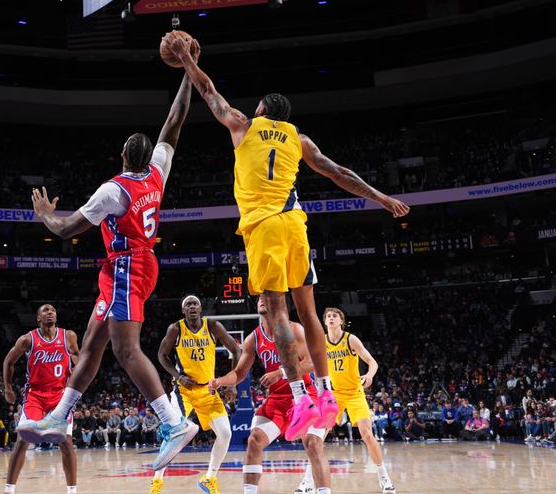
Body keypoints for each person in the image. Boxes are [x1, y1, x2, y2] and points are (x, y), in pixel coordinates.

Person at [163, 31, 410, 440]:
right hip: (297, 222)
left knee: (276, 313)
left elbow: (208, 91)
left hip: (265, 225)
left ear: (261, 109)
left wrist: (189, 59)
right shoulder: (300, 138)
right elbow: (339, 173)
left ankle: (299, 397)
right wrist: (380, 196)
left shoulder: (243, 124)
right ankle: (327, 392)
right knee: (307, 311)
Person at [21, 53, 202, 472]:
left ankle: (173, 423)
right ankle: (58, 416)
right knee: (92, 342)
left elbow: (66, 230)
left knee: (124, 348)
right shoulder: (158, 170)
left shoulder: (112, 191)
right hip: (126, 267)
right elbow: (174, 121)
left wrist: (45, 215)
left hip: (128, 266)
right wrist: (189, 72)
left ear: (123, 154)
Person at [209, 295, 331, 494]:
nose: (263, 300)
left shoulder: (294, 329)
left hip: (307, 394)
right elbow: (239, 373)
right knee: (254, 440)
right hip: (278, 399)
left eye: (268, 296)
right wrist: (220, 381)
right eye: (260, 298)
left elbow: (313, 362)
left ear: (279, 303)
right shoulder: (253, 338)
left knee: (313, 444)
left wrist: (281, 372)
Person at [151, 295, 241, 494]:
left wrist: (232, 382)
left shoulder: (213, 326)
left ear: (201, 309)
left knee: (226, 434)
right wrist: (178, 376)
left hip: (208, 390)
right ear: (183, 311)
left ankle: (209, 478)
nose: (192, 307)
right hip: (185, 390)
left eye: (195, 304)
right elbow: (161, 355)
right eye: (188, 305)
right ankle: (157, 481)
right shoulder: (175, 329)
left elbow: (236, 350)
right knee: (177, 431)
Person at [2, 304, 80, 494]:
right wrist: (8, 388)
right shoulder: (27, 339)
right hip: (35, 394)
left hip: (60, 394)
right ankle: (9, 489)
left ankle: (72, 490)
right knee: (22, 440)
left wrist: (75, 370)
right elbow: (8, 361)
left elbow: (77, 354)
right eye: (45, 311)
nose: (50, 313)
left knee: (66, 441)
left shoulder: (68, 336)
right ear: (38, 318)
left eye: (52, 310)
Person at [320, 307, 395, 493]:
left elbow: (372, 362)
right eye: (328, 316)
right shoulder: (321, 341)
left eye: (334, 316)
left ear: (341, 320)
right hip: (335, 394)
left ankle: (383, 477)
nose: (330, 318)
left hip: (355, 393)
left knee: (367, 435)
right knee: (318, 436)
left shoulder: (350, 339)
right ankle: (307, 480)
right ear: (324, 321)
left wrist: (369, 375)